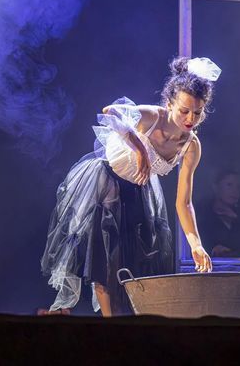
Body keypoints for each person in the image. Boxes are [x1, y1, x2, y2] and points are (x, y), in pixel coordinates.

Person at [41, 56, 220, 316]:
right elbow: (109, 112)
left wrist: (196, 244)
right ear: (170, 104)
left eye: (197, 112)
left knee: (136, 268)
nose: (190, 118)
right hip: (105, 185)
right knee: (106, 265)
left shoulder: (191, 146)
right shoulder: (152, 117)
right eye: (184, 111)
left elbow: (184, 202)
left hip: (139, 193)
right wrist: (140, 148)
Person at [196, 170, 240, 258]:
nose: (235, 191)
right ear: (216, 188)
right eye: (229, 185)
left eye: (238, 187)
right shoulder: (204, 215)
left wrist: (236, 219)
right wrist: (213, 249)